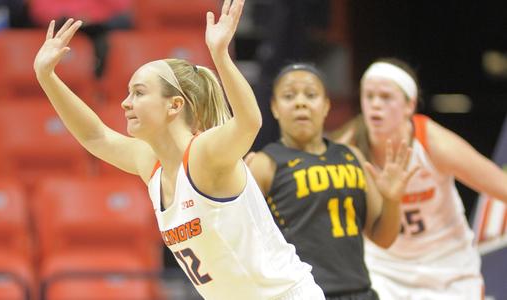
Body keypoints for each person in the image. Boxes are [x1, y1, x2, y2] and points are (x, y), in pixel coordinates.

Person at [33, 0, 325, 299]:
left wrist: (221, 56)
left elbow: (249, 123)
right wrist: (48, 77)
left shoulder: (204, 155)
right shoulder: (152, 164)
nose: (126, 103)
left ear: (175, 105)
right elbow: (95, 136)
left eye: (139, 92)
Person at [333, 58, 507, 299]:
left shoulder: (434, 143)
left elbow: (501, 187)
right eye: (369, 96)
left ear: (409, 105)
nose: (375, 105)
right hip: (382, 270)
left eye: (385, 97)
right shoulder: (347, 148)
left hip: (447, 267)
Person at [247, 63, 418, 299]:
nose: (300, 102)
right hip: (304, 294)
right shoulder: (264, 163)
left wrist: (392, 200)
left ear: (326, 105)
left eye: (311, 95)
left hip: (361, 292)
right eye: (288, 96)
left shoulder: (351, 155)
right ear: (275, 108)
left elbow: (383, 238)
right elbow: (243, 242)